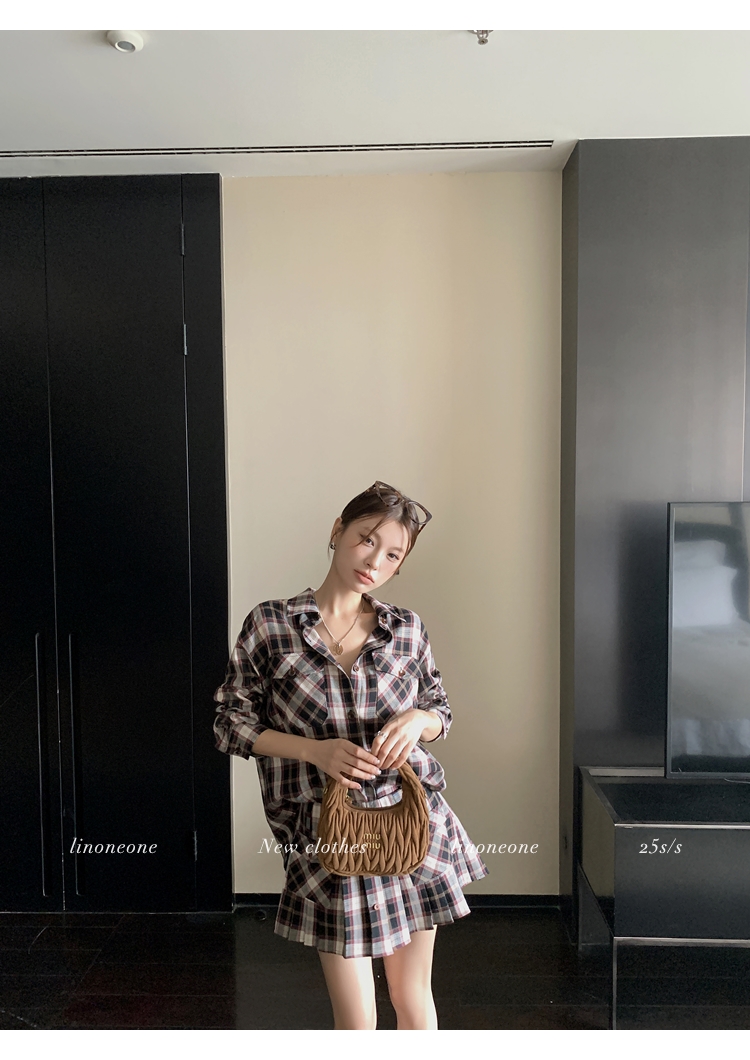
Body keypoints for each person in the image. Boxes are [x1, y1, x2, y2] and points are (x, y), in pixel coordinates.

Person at [213, 481, 488, 1030]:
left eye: (393, 555)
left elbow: (440, 709)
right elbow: (230, 723)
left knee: (412, 998)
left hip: (411, 826)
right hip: (329, 836)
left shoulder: (405, 629)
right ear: (337, 531)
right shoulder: (271, 625)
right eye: (367, 540)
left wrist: (420, 720)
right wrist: (313, 752)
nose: (375, 562)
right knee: (357, 1017)